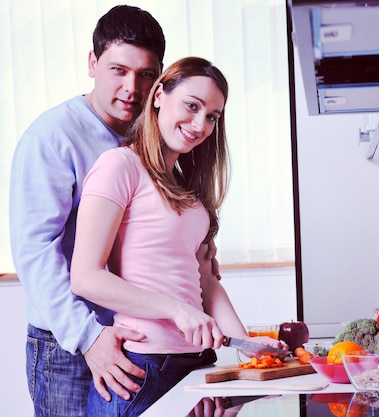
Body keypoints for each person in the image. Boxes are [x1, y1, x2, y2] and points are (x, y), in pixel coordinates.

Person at [70, 56, 287, 417]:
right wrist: (178, 311)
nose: (200, 124)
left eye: (212, 116)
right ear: (158, 96)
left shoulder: (187, 191)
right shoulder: (119, 165)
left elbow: (205, 281)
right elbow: (86, 277)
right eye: (192, 106)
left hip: (196, 364)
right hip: (142, 371)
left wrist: (247, 344)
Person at [9, 5, 167, 417]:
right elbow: (35, 251)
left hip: (138, 337)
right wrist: (89, 338)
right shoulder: (51, 137)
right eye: (118, 70)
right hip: (70, 345)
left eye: (145, 74)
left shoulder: (152, 134)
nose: (132, 87)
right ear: (93, 63)